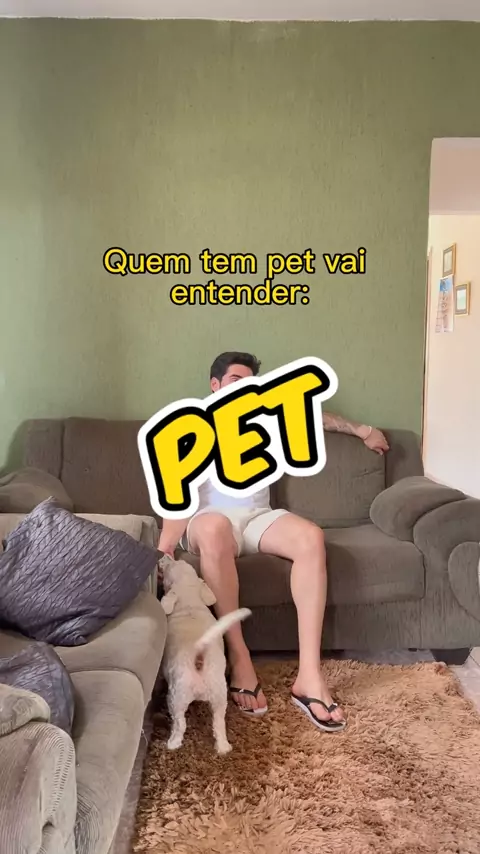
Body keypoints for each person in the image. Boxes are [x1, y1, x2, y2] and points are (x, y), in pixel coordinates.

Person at [158, 352, 389, 732]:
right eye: (235, 380)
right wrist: (166, 546)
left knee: (311, 537)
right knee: (215, 529)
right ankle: (240, 658)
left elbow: (315, 416)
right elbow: (176, 491)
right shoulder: (194, 426)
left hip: (257, 518)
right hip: (209, 521)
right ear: (215, 385)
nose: (244, 388)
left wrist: (363, 430)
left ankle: (309, 677)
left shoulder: (266, 418)